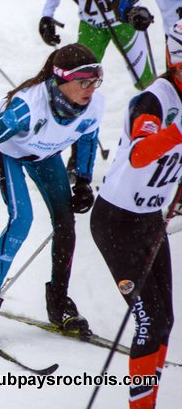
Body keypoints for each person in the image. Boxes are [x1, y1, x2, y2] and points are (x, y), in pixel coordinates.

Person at [0, 44, 104, 342]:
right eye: (83, 82)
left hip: (45, 155)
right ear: (61, 81)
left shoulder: (94, 104)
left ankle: (59, 303)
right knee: (21, 219)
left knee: (66, 222)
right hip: (9, 152)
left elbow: (88, 138)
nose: (90, 89)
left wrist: (83, 181)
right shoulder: (26, 108)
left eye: (95, 80)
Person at [90, 47, 181, 409]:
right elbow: (141, 154)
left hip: (150, 220)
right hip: (116, 223)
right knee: (150, 321)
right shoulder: (152, 101)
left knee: (166, 321)